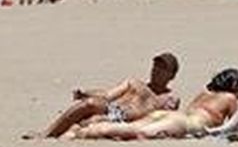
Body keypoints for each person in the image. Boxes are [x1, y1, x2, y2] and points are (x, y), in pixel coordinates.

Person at [24, 53, 181, 139]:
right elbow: (107, 95)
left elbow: (165, 119)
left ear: (171, 75)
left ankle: (62, 134)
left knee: (87, 123)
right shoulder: (134, 83)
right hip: (113, 109)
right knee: (90, 103)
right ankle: (47, 133)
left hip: (126, 119)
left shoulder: (168, 98)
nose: (156, 71)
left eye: (162, 69)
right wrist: (86, 93)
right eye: (155, 67)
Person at [73, 68, 238, 141]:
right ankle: (85, 133)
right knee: (136, 132)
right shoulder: (231, 99)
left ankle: (81, 130)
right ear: (236, 87)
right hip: (184, 124)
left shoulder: (205, 92)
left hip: (174, 116)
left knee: (130, 126)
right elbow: (237, 126)